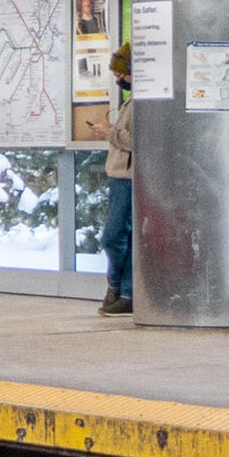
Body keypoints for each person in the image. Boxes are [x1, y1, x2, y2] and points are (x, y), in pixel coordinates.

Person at [101, 43, 133, 315]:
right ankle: (121, 289)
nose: (118, 80)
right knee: (120, 235)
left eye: (122, 74)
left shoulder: (141, 103)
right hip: (118, 175)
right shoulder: (130, 101)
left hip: (128, 176)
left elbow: (139, 141)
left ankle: (120, 287)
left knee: (113, 236)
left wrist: (110, 132)